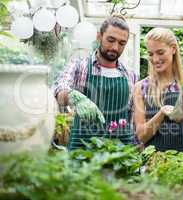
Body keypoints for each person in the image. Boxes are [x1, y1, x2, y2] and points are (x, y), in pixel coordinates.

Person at [53, 14, 138, 150]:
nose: (115, 47)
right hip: (83, 148)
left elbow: (132, 115)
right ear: (99, 37)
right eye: (111, 40)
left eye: (122, 43)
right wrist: (74, 97)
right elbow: (59, 89)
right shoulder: (79, 66)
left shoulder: (130, 75)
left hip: (119, 152)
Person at [133, 27, 183, 152]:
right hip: (153, 164)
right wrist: (161, 114)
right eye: (150, 54)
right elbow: (141, 136)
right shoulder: (141, 87)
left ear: (173, 49)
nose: (155, 59)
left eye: (160, 52)